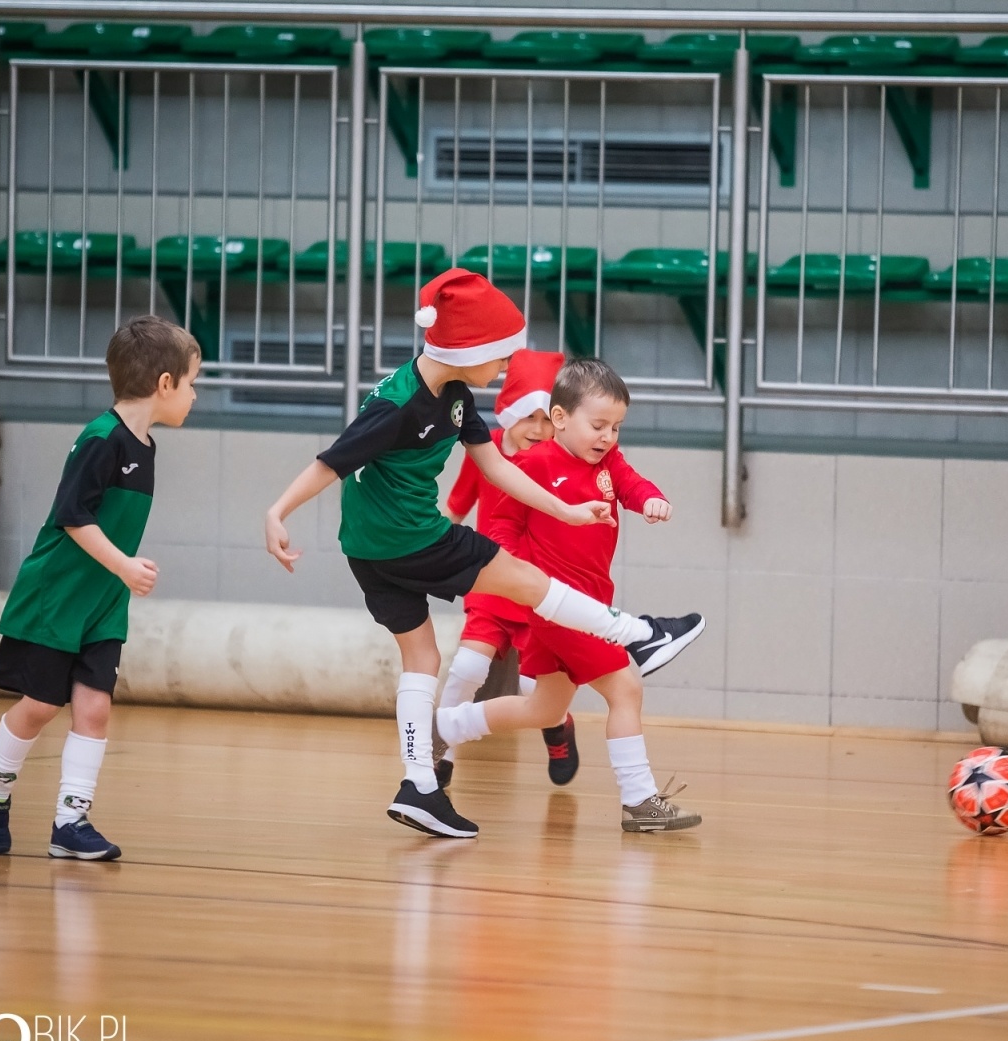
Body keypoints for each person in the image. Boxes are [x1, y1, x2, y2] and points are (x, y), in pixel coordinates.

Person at [264, 268, 704, 839]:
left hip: (368, 550)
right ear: (469, 348)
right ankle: (634, 632)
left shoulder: (453, 396)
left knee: (422, 661)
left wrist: (567, 512)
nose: (504, 370)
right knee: (523, 579)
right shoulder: (398, 403)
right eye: (500, 358)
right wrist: (279, 510)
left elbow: (493, 464)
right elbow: (333, 461)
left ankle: (420, 785)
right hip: (412, 536)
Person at [0, 315, 201, 860]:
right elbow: (74, 517)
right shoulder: (101, 440)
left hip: (103, 601)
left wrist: (118, 574)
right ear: (164, 384)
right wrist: (124, 565)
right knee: (42, 704)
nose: (194, 394)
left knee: (94, 707)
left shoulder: (145, 446)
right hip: (60, 594)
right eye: (191, 382)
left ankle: (71, 821)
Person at [437, 359, 702, 833]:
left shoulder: (609, 464)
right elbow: (501, 529)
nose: (608, 437)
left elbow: (632, 484)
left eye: (617, 427)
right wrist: (528, 584)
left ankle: (447, 727)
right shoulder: (530, 466)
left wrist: (650, 500)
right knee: (626, 687)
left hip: (589, 606)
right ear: (560, 419)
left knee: (545, 709)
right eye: (598, 425)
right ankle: (640, 802)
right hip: (561, 611)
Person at [439, 347, 573, 790]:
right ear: (507, 410)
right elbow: (457, 505)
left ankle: (558, 726)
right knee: (464, 672)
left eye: (547, 418)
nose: (538, 429)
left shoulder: (564, 462)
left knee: (538, 690)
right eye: (527, 416)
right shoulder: (486, 450)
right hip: (491, 581)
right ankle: (440, 756)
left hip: (540, 590)